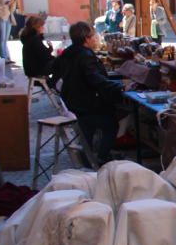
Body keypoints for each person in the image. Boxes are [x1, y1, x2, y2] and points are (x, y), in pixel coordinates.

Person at [50, 21, 124, 163]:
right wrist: (120, 86)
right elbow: (95, 79)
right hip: (85, 102)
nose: (95, 38)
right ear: (87, 39)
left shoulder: (69, 52)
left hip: (72, 100)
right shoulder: (85, 55)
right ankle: (101, 156)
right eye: (93, 35)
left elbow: (54, 70)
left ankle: (89, 155)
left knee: (90, 125)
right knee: (111, 123)